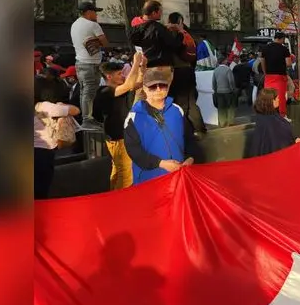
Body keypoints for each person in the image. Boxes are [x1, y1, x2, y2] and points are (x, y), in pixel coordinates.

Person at [123, 67, 197, 184]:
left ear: (168, 87)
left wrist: (191, 157)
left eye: (162, 85)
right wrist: (161, 163)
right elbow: (134, 150)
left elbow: (189, 138)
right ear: (144, 88)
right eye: (152, 86)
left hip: (179, 177)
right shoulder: (134, 117)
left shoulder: (177, 110)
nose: (158, 89)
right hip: (150, 180)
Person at [92, 52, 146, 190]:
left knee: (118, 169)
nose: (123, 76)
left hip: (120, 135)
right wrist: (135, 63)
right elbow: (130, 84)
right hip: (117, 137)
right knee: (126, 172)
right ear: (109, 76)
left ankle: (113, 194)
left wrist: (142, 67)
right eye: (119, 74)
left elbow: (138, 83)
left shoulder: (119, 90)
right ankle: (123, 198)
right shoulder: (105, 91)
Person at [34, 76, 80, 199]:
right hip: (42, 152)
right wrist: (61, 105)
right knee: (41, 191)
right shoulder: (44, 106)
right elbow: (75, 110)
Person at [69, 1, 109, 123]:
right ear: (89, 12)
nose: (96, 15)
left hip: (80, 62)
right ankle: (87, 119)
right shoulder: (93, 25)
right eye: (95, 12)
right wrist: (97, 41)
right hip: (91, 64)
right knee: (89, 92)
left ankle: (86, 118)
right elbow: (105, 42)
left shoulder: (74, 24)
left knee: (84, 91)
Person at [249, 88, 300, 157]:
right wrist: (293, 141)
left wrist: (295, 139)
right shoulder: (268, 121)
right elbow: (278, 143)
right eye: (277, 98)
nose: (279, 100)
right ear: (271, 101)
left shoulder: (267, 114)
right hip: (276, 156)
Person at [260, 32, 292, 117]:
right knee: (281, 97)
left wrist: (265, 72)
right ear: (282, 39)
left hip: (269, 76)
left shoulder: (265, 48)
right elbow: (288, 63)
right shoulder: (284, 49)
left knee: (268, 97)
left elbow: (262, 61)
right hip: (280, 76)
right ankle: (282, 115)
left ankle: (268, 114)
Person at [211, 58, 237, 127]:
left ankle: (222, 122)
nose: (227, 61)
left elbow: (214, 82)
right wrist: (233, 89)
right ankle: (230, 121)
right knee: (230, 106)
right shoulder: (228, 69)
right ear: (223, 61)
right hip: (228, 91)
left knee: (221, 108)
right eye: (226, 60)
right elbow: (231, 81)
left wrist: (215, 90)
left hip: (219, 91)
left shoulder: (215, 70)